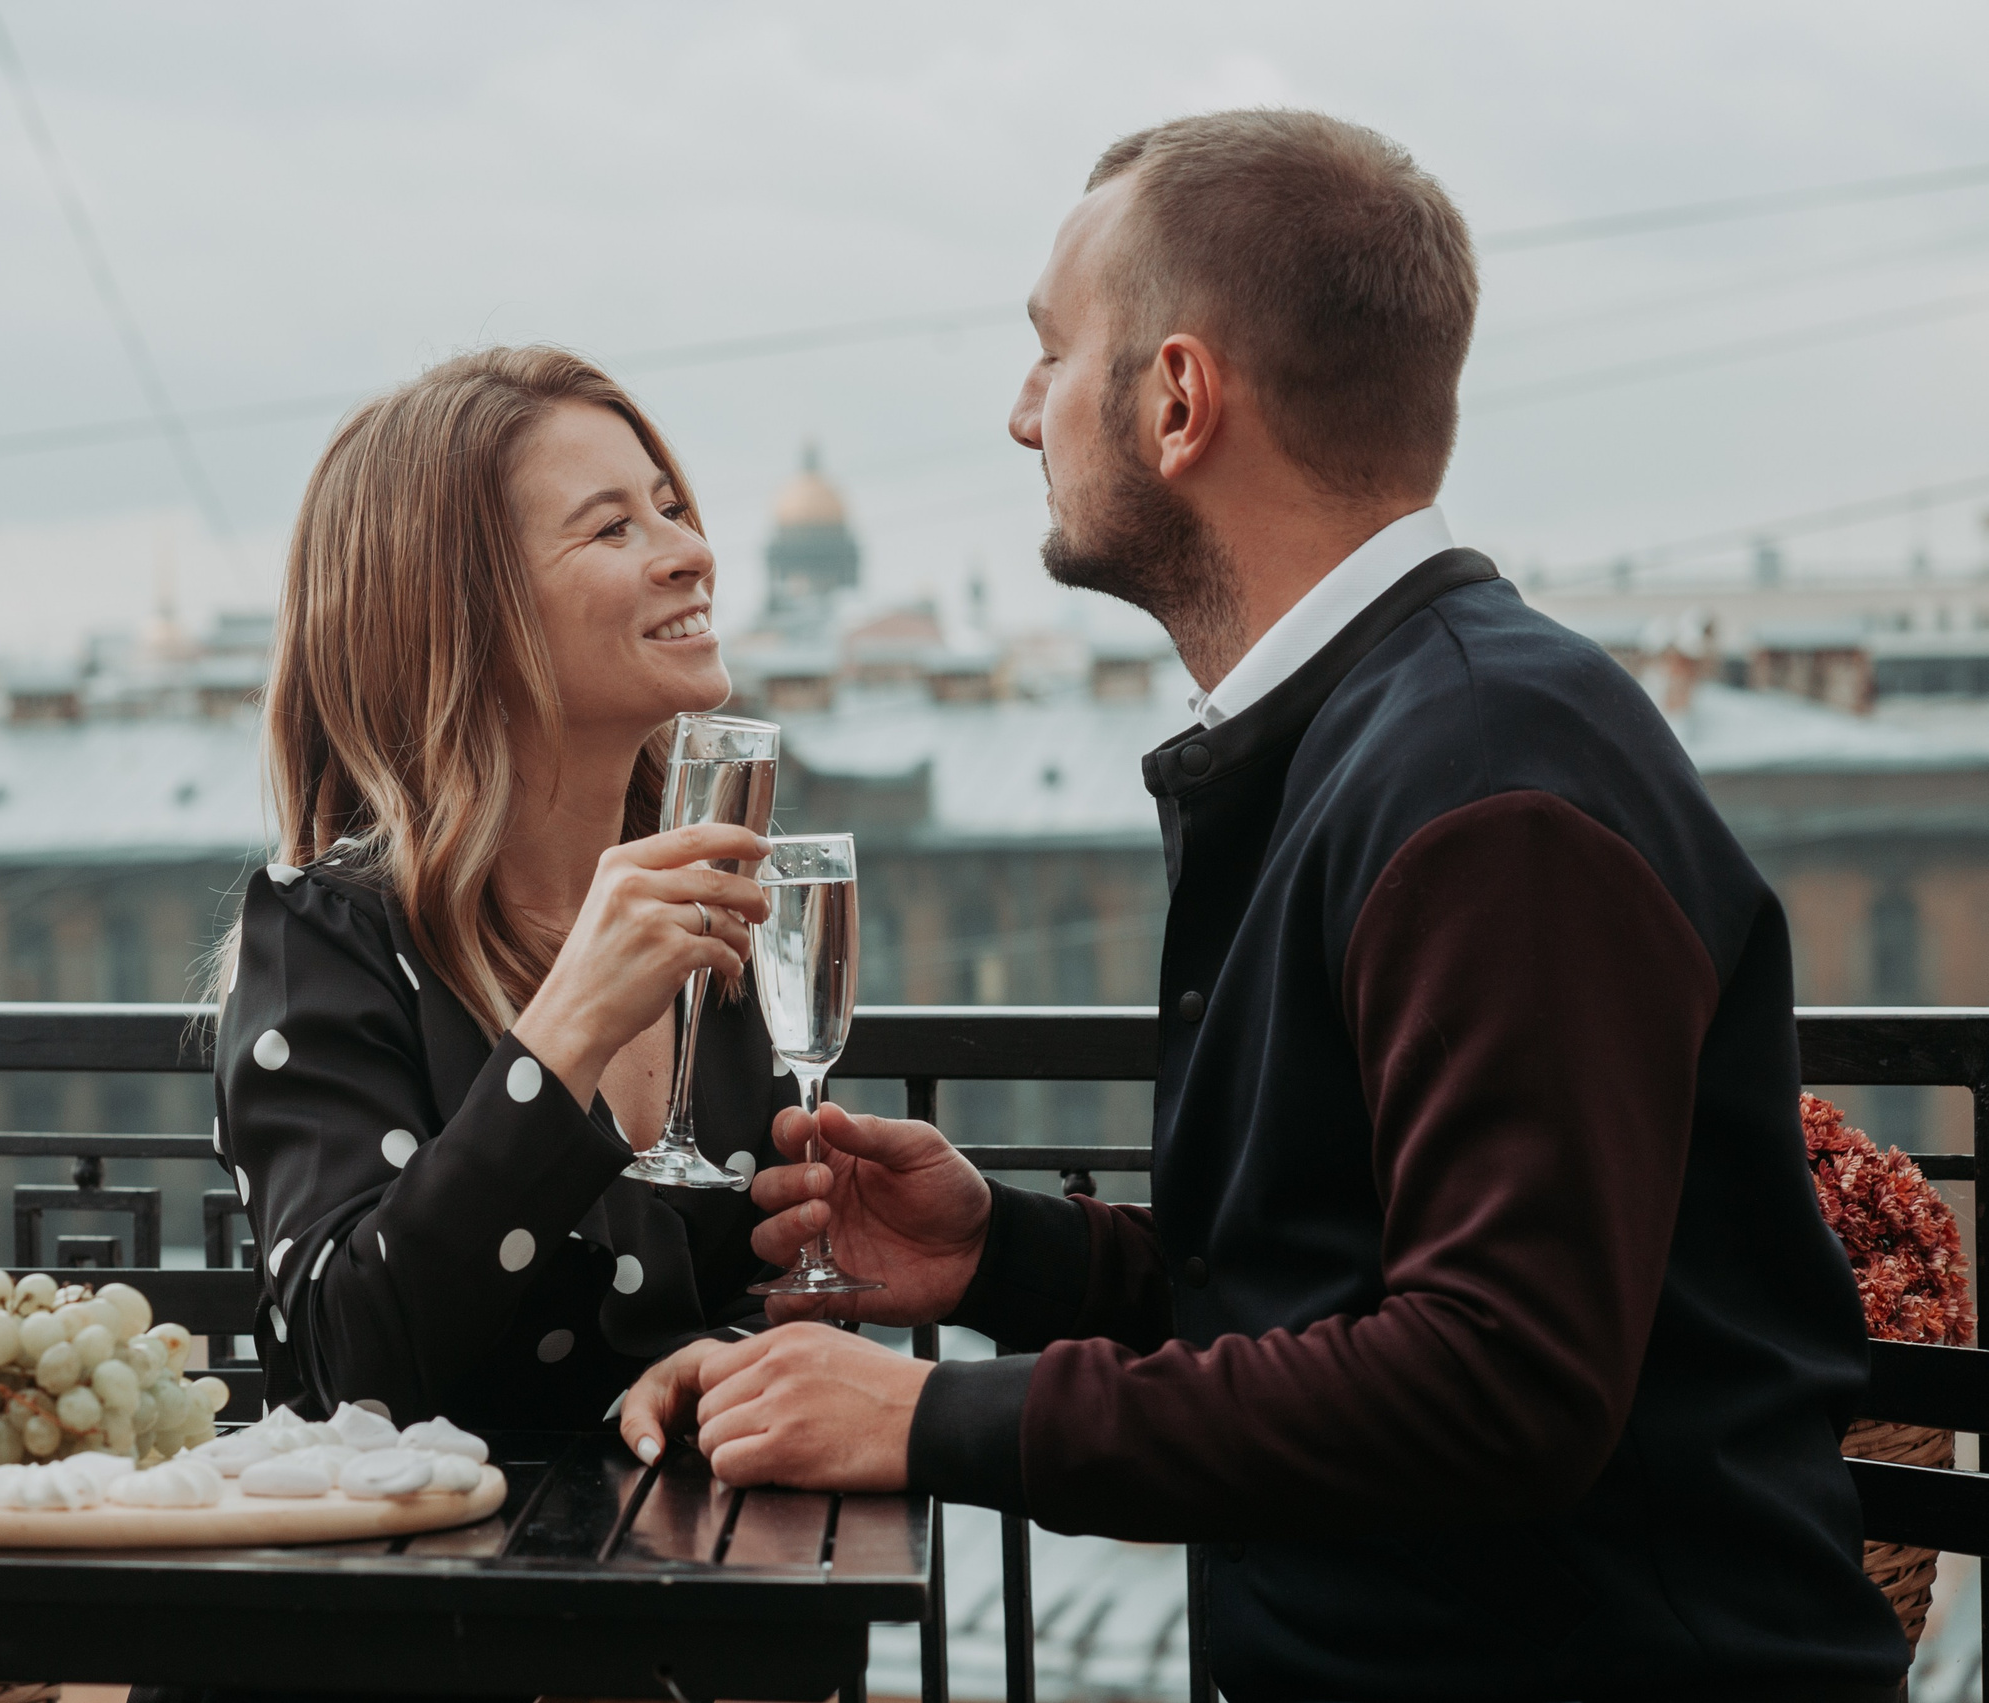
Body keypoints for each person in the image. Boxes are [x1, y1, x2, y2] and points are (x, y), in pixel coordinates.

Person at [622, 111, 1912, 1697]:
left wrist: (922, 1416)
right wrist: (1005, 1258)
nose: (1021, 412)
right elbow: (1342, 1286)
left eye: (1049, 351)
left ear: (1177, 397)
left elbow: (1497, 1380)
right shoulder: (1404, 738)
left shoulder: (1490, 783)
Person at [213, 345, 792, 1435]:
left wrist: (732, 1346)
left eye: (670, 509)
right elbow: (350, 1372)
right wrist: (566, 1030)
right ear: (462, 614)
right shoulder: (326, 935)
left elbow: (744, 1302)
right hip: (457, 1595)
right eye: (612, 526)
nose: (691, 552)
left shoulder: (699, 909)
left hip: (720, 1581)